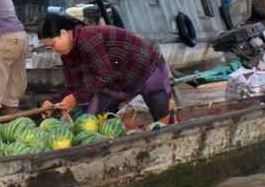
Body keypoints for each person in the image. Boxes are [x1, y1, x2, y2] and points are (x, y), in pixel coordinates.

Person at [38, 13, 172, 122]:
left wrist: (75, 98)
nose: (53, 50)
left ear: (64, 33)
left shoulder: (87, 39)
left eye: (53, 44)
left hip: (148, 71)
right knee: (91, 122)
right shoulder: (67, 56)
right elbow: (72, 89)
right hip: (118, 83)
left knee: (166, 123)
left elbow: (106, 75)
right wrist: (53, 101)